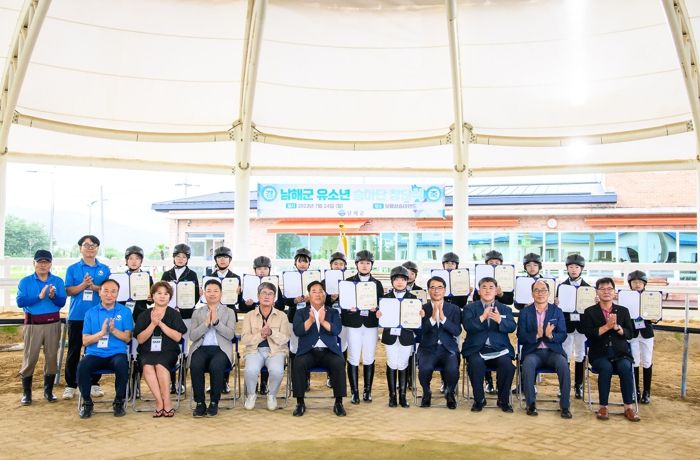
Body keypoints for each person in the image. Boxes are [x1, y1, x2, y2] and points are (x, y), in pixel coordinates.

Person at [581, 277, 639, 422]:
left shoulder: (623, 311)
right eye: (602, 289)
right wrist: (607, 327)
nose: (606, 292)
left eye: (609, 289)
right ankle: (603, 407)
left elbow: (630, 334)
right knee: (605, 368)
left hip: (621, 353)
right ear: (597, 292)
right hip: (599, 354)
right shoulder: (590, 312)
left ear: (614, 292)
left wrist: (618, 328)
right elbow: (589, 333)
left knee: (625, 367)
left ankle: (628, 407)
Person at [63, 235, 111, 400]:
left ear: (97, 248)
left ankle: (94, 383)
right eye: (87, 245)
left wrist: (95, 287)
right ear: (80, 248)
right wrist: (83, 285)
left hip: (98, 316)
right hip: (77, 316)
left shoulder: (104, 269)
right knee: (74, 350)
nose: (90, 248)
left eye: (94, 245)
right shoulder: (73, 268)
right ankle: (71, 385)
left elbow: (109, 290)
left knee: (96, 350)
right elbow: (68, 291)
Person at [16, 250, 67, 405]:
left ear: (51, 264)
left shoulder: (57, 281)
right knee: (30, 358)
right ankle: (27, 393)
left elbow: (61, 302)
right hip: (33, 324)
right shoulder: (25, 281)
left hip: (53, 323)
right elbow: (20, 302)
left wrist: (53, 296)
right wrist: (39, 297)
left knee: (51, 357)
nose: (43, 265)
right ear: (34, 263)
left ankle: (48, 391)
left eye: (46, 262)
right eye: (40, 262)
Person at [77, 279, 134, 418]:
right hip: (95, 354)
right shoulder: (90, 313)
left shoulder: (125, 312)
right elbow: (85, 341)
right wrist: (101, 333)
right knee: (82, 366)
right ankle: (87, 403)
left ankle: (118, 402)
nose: (109, 295)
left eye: (113, 291)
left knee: (122, 365)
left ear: (118, 294)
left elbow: (127, 338)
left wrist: (114, 331)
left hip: (116, 354)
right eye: (106, 291)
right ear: (99, 292)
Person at [516, 280, 572, 418]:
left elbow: (563, 334)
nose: (540, 293)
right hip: (533, 352)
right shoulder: (525, 312)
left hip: (553, 352)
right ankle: (530, 404)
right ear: (532, 293)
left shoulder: (557, 311)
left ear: (548, 293)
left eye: (543, 290)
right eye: (536, 290)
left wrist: (550, 335)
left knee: (564, 365)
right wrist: (537, 335)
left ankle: (565, 406)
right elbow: (521, 336)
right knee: (527, 365)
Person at [291, 281, 347, 417]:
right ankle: (300, 402)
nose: (317, 294)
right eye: (314, 291)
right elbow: (298, 331)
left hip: (328, 351)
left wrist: (322, 321)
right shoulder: (301, 312)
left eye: (320, 291)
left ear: (325, 295)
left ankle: (339, 402)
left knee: (339, 362)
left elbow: (336, 330)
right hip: (308, 352)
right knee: (297, 363)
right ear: (309, 295)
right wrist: (310, 320)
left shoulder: (333, 312)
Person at [462, 277, 517, 413]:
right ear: (479, 291)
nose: (487, 290)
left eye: (491, 287)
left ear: (496, 291)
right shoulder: (470, 308)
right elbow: (468, 326)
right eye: (484, 287)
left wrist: (499, 320)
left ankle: (503, 400)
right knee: (475, 364)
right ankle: (479, 400)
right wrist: (482, 317)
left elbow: (512, 326)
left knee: (507, 366)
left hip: (499, 349)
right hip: (477, 348)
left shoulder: (504, 308)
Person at [133, 281, 187, 417]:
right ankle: (159, 402)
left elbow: (177, 337)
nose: (162, 296)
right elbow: (140, 339)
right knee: (147, 366)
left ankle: (167, 401)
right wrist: (153, 324)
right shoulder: (144, 315)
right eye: (159, 293)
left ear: (170, 297)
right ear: (152, 296)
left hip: (169, 351)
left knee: (160, 365)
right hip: (147, 351)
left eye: (166, 294)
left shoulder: (174, 314)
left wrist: (161, 324)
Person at [188, 279, 237, 417]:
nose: (212, 294)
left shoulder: (229, 312)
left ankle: (214, 402)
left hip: (220, 349)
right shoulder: (197, 312)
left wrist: (216, 322)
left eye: (216, 291)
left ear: (221, 293)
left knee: (216, 366)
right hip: (201, 348)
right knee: (195, 364)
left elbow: (230, 335)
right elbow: (192, 336)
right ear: (204, 293)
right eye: (208, 291)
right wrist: (205, 324)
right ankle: (200, 403)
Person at [241, 282, 290, 411]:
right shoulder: (249, 316)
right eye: (263, 293)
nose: (267, 296)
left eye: (270, 294)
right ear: (258, 296)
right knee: (250, 370)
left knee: (277, 371)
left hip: (276, 351)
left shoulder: (282, 316)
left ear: (274, 298)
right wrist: (261, 335)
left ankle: (272, 395)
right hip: (254, 350)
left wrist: (271, 333)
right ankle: (251, 395)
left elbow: (285, 338)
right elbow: (245, 339)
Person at [342, 250, 384, 404]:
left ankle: (367, 391)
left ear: (372, 265)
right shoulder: (348, 282)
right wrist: (349, 308)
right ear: (356, 264)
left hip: (370, 325)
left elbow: (382, 305)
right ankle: (355, 392)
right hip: (353, 324)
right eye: (361, 263)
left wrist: (377, 309)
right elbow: (343, 305)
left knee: (369, 357)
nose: (365, 265)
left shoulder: (377, 284)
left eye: (368, 263)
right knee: (353, 357)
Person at [239, 255, 285, 395]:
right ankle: (255, 383)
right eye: (259, 268)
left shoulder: (274, 284)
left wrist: (274, 302)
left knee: (270, 348)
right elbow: (242, 307)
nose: (262, 271)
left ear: (269, 270)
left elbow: (282, 305)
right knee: (255, 350)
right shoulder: (249, 283)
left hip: (271, 320)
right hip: (255, 320)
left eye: (265, 268)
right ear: (255, 270)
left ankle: (264, 382)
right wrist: (246, 303)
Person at [416, 276, 462, 409]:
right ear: (428, 290)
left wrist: (443, 319)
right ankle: (426, 392)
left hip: (448, 349)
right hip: (428, 348)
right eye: (433, 287)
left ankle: (450, 392)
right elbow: (419, 332)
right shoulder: (421, 308)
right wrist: (431, 318)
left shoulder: (454, 309)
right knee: (425, 369)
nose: (436, 291)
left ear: (445, 290)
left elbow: (457, 331)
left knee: (452, 369)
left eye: (439, 287)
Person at [161, 243, 200, 394]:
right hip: (169, 315)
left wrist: (184, 304)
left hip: (186, 315)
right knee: (170, 348)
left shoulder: (192, 274)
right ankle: (171, 382)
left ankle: (181, 382)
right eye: (178, 256)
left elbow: (195, 296)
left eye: (184, 257)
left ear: (187, 259)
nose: (181, 259)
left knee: (184, 349)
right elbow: (161, 293)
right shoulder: (166, 274)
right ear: (173, 258)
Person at [472, 250, 513, 394]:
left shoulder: (507, 277)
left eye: (497, 262)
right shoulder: (481, 278)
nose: (494, 264)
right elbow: (475, 299)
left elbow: (510, 300)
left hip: (499, 315)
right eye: (491, 262)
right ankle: (488, 381)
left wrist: (500, 294)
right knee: (482, 344)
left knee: (497, 345)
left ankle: (501, 388)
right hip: (483, 314)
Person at [376, 266, 417, 408]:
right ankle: (392, 396)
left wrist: (420, 315)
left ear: (407, 281)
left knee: (403, 363)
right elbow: (381, 318)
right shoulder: (385, 299)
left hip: (406, 335)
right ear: (392, 281)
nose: (400, 282)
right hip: (390, 335)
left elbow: (415, 320)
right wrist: (378, 315)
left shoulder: (413, 298)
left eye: (403, 279)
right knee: (392, 363)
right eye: (397, 279)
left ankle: (403, 396)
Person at [204, 246, 242, 394]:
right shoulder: (208, 278)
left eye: (225, 257)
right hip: (211, 312)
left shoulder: (236, 278)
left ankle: (224, 382)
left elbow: (240, 302)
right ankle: (212, 382)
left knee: (226, 347)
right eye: (219, 257)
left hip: (228, 314)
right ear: (215, 260)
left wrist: (240, 293)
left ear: (230, 260)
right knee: (211, 345)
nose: (222, 260)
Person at [555, 254, 589, 399]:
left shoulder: (588, 288)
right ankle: (564, 385)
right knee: (565, 355)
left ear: (581, 269)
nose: (574, 269)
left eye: (576, 267)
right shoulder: (561, 287)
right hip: (567, 325)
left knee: (580, 355)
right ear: (567, 269)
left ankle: (578, 385)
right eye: (571, 267)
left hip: (582, 326)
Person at [283, 248, 312, 387]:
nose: (302, 264)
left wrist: (311, 298)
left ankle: (306, 379)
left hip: (310, 316)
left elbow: (321, 298)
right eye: (300, 261)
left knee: (308, 347)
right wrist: (294, 300)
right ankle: (295, 379)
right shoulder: (288, 277)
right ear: (295, 263)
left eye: (305, 261)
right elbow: (284, 300)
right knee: (294, 348)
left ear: (309, 264)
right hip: (293, 317)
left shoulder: (314, 277)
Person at [627, 270, 655, 404]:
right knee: (635, 361)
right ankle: (635, 390)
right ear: (630, 284)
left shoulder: (651, 297)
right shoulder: (627, 298)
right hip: (632, 332)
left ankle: (647, 392)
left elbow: (656, 313)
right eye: (634, 282)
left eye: (640, 282)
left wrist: (655, 318)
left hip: (646, 333)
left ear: (644, 284)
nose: (637, 284)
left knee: (647, 361)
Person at [122, 246, 154, 323]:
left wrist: (151, 298)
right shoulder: (121, 278)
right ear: (126, 260)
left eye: (137, 258)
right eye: (131, 258)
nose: (134, 261)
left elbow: (150, 301)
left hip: (141, 314)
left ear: (141, 261)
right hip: (123, 314)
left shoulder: (147, 277)